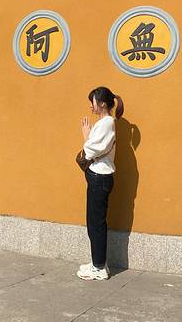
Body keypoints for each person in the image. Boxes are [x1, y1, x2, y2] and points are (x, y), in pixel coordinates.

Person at [76, 86, 124, 281]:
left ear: (102, 103)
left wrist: (86, 137)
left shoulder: (107, 122)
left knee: (96, 223)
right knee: (94, 222)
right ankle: (98, 262)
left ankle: (99, 268)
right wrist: (88, 138)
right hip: (98, 177)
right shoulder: (104, 123)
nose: (91, 106)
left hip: (100, 177)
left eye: (93, 102)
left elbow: (91, 150)